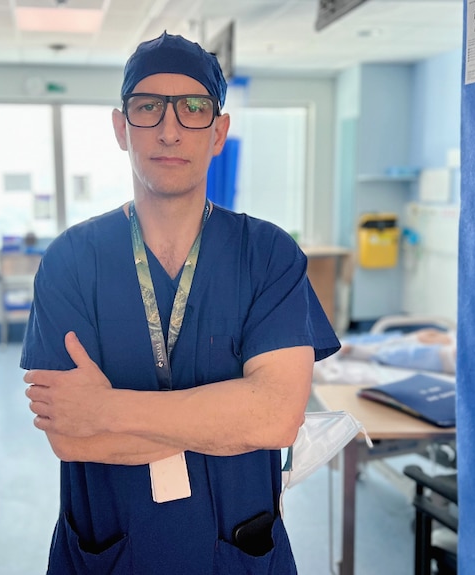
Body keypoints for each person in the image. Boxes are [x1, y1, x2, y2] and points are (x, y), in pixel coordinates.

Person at [22, 31, 340, 574]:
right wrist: (221, 419)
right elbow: (69, 437)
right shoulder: (71, 260)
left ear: (219, 132)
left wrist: (105, 409)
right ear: (121, 128)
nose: (170, 130)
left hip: (235, 550)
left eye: (194, 108)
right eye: (148, 108)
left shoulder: (267, 255)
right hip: (111, 551)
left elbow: (275, 419)